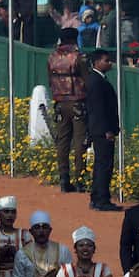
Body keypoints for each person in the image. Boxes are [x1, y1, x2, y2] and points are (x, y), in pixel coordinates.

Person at [48, 27, 89, 193]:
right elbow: (88, 80)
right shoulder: (79, 57)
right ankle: (80, 179)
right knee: (80, 142)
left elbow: (49, 80)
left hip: (59, 102)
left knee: (62, 141)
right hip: (78, 102)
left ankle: (64, 178)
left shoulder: (52, 57)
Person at [85, 49, 120, 211]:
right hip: (102, 130)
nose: (109, 63)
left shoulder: (97, 80)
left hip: (99, 129)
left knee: (101, 164)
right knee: (104, 165)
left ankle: (97, 197)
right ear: (97, 62)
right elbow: (99, 109)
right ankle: (102, 199)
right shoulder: (97, 82)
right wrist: (107, 129)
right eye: (106, 60)